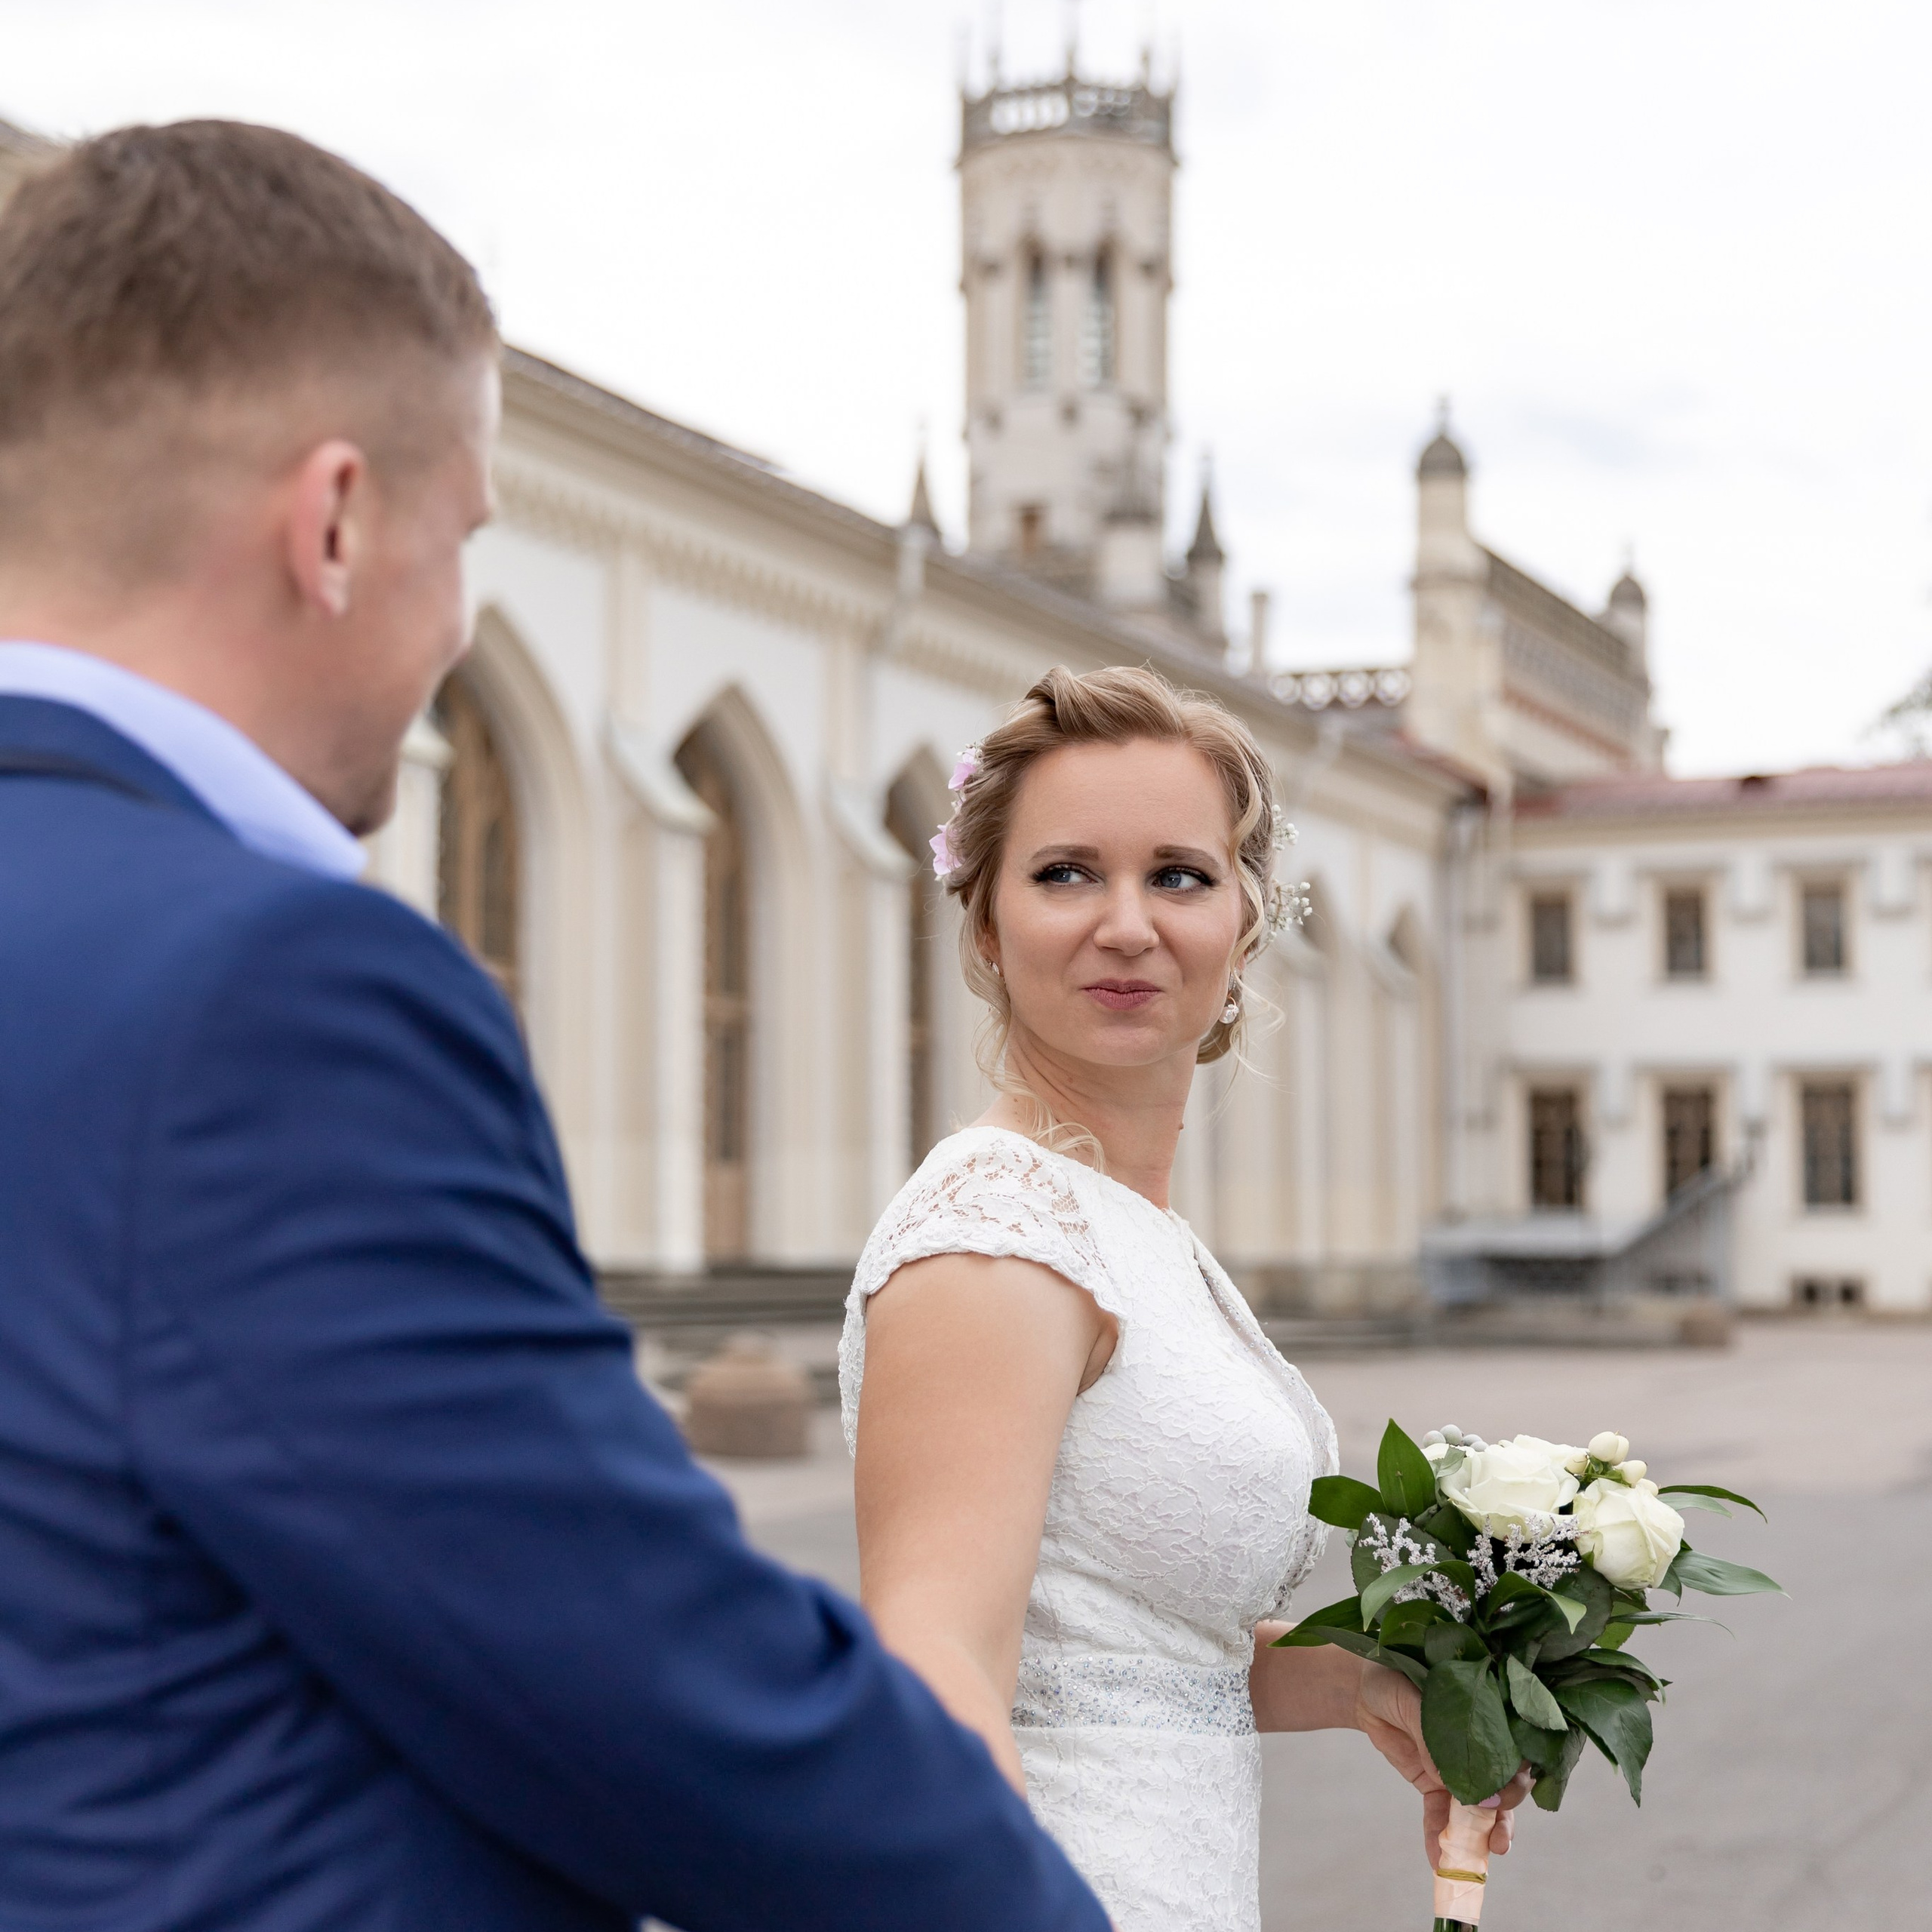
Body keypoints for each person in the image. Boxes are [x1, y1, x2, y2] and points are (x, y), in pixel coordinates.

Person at [0, 122, 1109, 1932]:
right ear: (337, 521)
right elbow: (635, 1669)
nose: (453, 626)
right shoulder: (268, 994)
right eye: (465, 547)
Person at [840, 666, 1530, 1932]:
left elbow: (1127, 1651)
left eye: (1178, 874)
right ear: (985, 925)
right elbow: (936, 1677)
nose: (1126, 923)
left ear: (1243, 922)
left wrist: (1380, 1682)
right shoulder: (998, 1236)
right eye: (1064, 874)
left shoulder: (1127, 1227)